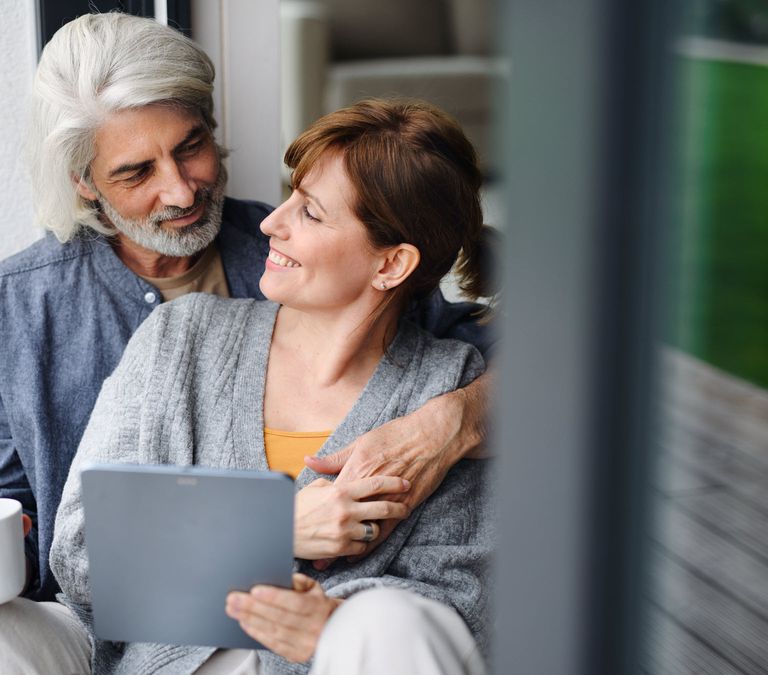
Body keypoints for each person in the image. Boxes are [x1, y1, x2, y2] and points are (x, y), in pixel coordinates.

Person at [0, 12, 493, 673]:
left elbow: (522, 378)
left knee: (385, 626)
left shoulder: (396, 334)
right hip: (125, 633)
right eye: (136, 171)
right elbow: (49, 541)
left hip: (326, 650)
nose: (181, 189)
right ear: (85, 181)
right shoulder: (38, 308)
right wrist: (270, 532)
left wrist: (460, 416)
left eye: (191, 147)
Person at [52, 98, 495, 674]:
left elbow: (462, 605)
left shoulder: (446, 388)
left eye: (309, 213)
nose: (269, 223)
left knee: (388, 623)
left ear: (391, 265)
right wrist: (275, 528)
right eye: (290, 196)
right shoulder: (178, 338)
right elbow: (81, 555)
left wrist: (330, 625)